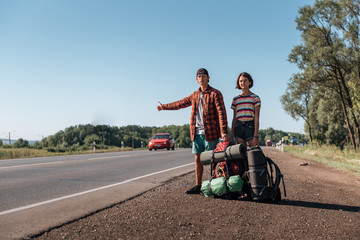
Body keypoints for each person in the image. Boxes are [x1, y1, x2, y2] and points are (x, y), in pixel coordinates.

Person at [157, 68, 228, 194]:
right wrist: (164, 107)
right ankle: (198, 186)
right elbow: (179, 104)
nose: (201, 78)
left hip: (210, 133)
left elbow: (221, 113)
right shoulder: (194, 95)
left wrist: (223, 132)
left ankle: (216, 185)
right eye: (199, 76)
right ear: (197, 79)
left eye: (204, 76)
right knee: (197, 159)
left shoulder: (215, 93)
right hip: (196, 133)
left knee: (214, 159)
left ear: (208, 78)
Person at [230, 72, 261, 148]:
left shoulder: (255, 98)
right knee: (241, 154)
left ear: (250, 82)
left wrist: (255, 136)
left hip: (250, 126)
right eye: (240, 81)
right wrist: (231, 135)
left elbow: (257, 117)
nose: (242, 83)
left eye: (245, 81)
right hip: (239, 127)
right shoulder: (235, 99)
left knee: (253, 154)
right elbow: (234, 118)